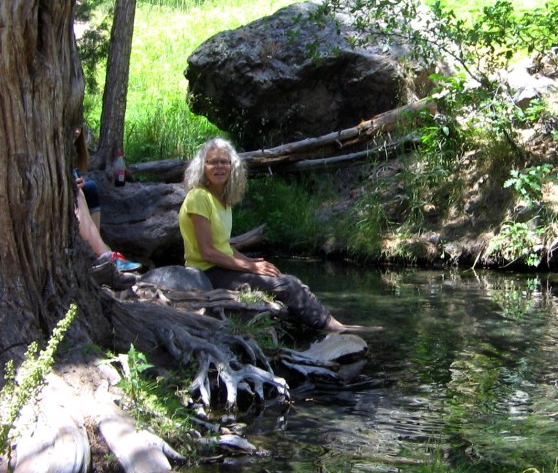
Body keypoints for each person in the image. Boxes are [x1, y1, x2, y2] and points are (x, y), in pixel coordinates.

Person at [179, 137, 372, 332]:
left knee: (289, 279)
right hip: (205, 273)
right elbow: (207, 252)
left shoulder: (223, 201)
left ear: (232, 166)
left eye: (224, 161)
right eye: (212, 162)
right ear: (203, 166)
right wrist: (250, 267)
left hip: (220, 267)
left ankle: (327, 322)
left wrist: (253, 263)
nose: (219, 166)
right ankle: (331, 327)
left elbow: (224, 246)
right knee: (286, 285)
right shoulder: (199, 197)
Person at [72, 125, 141, 273]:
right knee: (78, 194)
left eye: (79, 126)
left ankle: (97, 248)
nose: (77, 131)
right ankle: (103, 254)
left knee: (89, 188)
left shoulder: (71, 149)